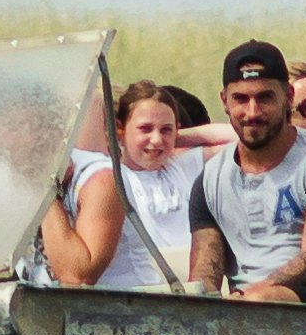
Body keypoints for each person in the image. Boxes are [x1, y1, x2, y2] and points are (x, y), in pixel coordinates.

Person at [183, 41, 306, 305]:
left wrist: (251, 295)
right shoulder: (210, 179)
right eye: (241, 99)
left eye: (265, 97)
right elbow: (205, 273)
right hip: (242, 307)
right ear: (224, 101)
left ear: (287, 96)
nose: (252, 112)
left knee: (262, 300)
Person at [35, 81, 201, 292]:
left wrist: (179, 136)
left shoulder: (103, 175)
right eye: (145, 128)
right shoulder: (3, 176)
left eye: (166, 129)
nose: (156, 139)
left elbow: (76, 278)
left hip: (133, 300)